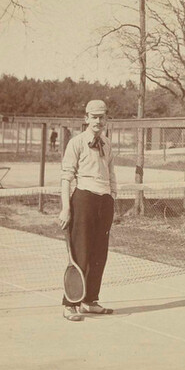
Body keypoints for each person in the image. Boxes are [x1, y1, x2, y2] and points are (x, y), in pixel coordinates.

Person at [58, 100, 117, 321]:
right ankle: (70, 303)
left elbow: (111, 174)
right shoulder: (76, 143)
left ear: (106, 119)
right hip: (83, 199)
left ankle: (89, 300)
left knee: (99, 254)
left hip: (105, 202)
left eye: (102, 117)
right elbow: (66, 177)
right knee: (80, 253)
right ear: (86, 118)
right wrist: (66, 208)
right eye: (94, 117)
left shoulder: (108, 144)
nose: (98, 121)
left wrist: (112, 197)